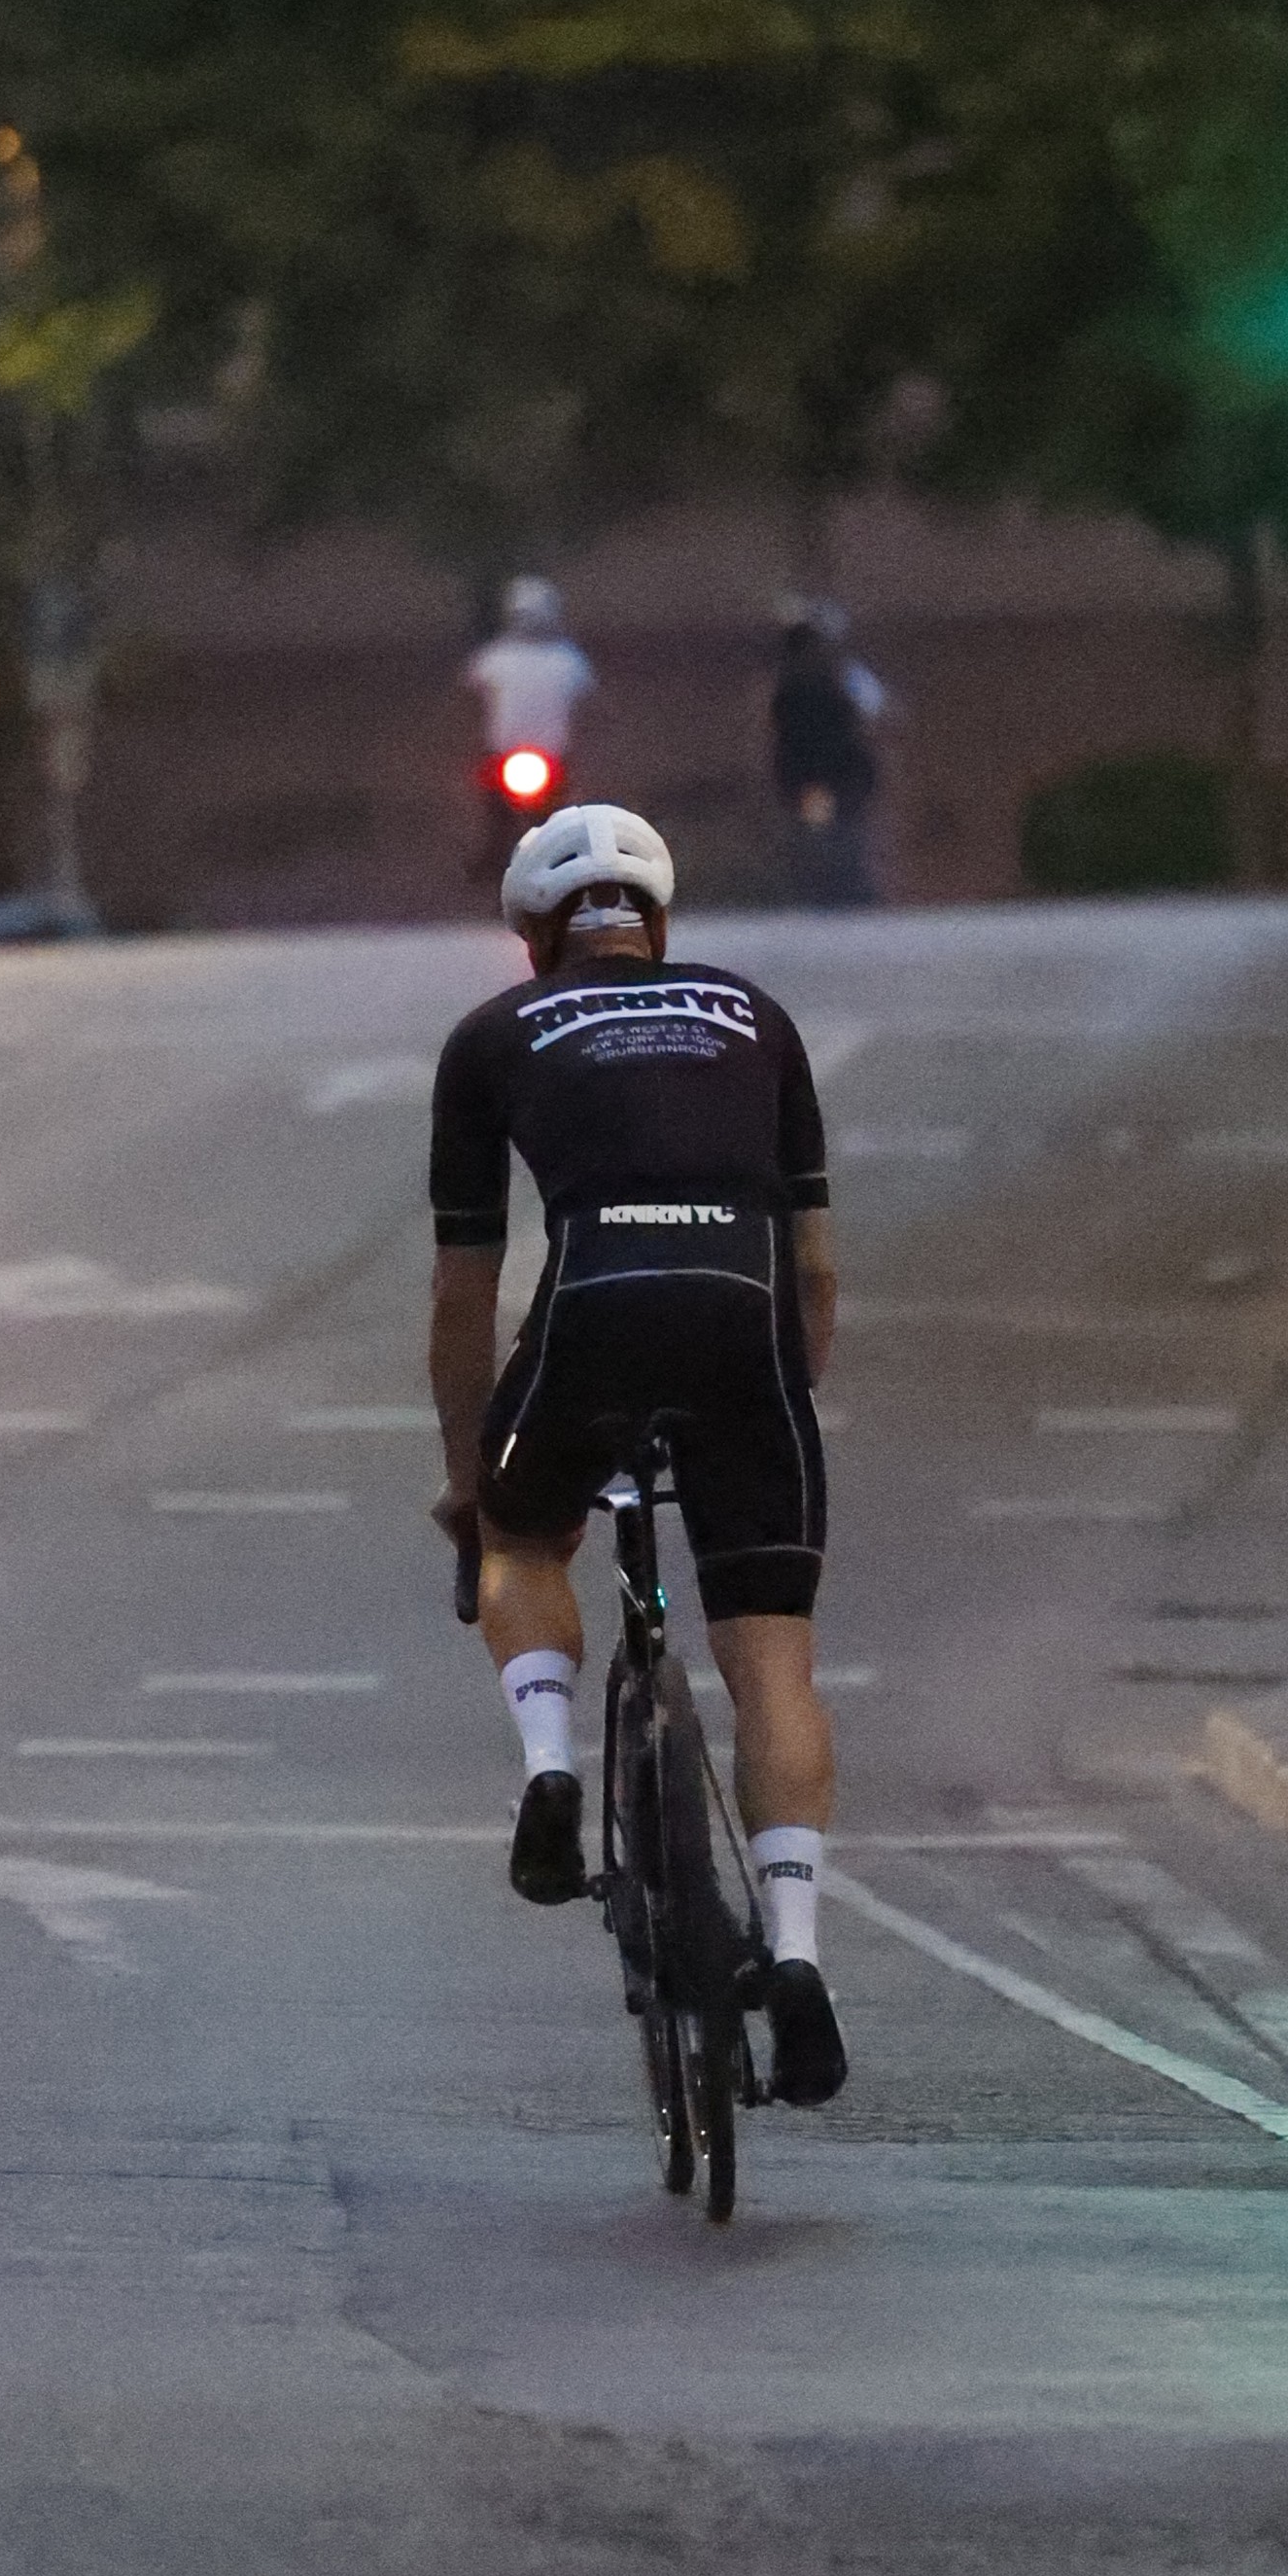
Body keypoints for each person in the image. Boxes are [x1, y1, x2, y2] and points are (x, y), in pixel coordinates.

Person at [425, 795, 849, 2106]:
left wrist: (473, 1487)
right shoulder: (756, 1017)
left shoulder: (493, 1034)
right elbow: (819, 1272)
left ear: (537, 938)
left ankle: (552, 1769)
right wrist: (767, 1397)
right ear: (659, 921)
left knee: (520, 1531)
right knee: (771, 1657)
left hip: (597, 1300)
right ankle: (794, 1956)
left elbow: (463, 1298)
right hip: (746, 1317)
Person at [461, 575, 595, 873]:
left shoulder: (497, 657)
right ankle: (496, 860)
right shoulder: (566, 658)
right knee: (498, 812)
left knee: (552, 820)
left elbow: (584, 709)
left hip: (546, 756)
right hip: (510, 755)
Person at [767, 599, 887, 907]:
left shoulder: (834, 679)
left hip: (833, 774)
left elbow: (873, 714)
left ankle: (842, 894)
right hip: (821, 776)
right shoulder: (801, 687)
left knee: (838, 840)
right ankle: (832, 895)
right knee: (826, 841)